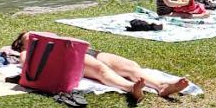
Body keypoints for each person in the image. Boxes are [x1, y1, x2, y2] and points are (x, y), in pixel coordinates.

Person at [11, 32, 189, 102]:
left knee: (131, 67)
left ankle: (161, 86)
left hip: (90, 52)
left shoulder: (51, 40)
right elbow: (27, 63)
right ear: (22, 43)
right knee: (101, 71)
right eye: (29, 36)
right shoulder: (27, 52)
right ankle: (131, 88)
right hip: (69, 58)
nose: (35, 35)